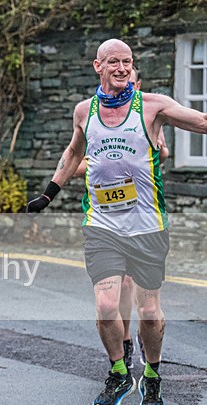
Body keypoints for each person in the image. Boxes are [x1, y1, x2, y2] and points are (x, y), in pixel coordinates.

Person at [26, 38, 207, 405]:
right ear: (98, 66)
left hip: (147, 226)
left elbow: (201, 122)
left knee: (151, 314)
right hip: (103, 226)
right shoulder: (83, 111)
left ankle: (153, 376)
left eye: (127, 61)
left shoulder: (152, 105)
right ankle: (120, 370)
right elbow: (74, 152)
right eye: (114, 62)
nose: (123, 68)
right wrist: (48, 194)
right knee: (107, 306)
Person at [73, 65, 170, 370]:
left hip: (142, 220)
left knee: (144, 297)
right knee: (119, 286)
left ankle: (144, 338)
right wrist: (101, 163)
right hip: (106, 219)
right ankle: (125, 341)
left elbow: (162, 152)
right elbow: (76, 161)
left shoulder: (150, 113)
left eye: (134, 79)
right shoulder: (92, 115)